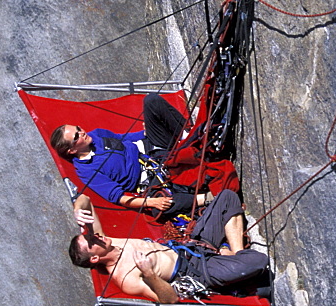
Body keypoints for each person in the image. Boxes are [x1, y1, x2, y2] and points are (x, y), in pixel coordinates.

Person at [68, 189, 269, 302]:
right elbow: (170, 299)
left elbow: (85, 199)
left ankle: (236, 253)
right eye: (92, 241)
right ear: (95, 258)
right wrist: (150, 275)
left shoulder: (108, 241)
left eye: (92, 235)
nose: (97, 237)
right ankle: (235, 264)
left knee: (226, 197)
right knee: (259, 261)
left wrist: (78, 210)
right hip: (197, 272)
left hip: (191, 246)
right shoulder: (126, 278)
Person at [50, 93, 215, 220]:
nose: (82, 132)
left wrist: (148, 130)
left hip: (150, 146)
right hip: (148, 178)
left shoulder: (97, 136)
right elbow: (118, 197)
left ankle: (193, 138)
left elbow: (125, 139)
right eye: (76, 136)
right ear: (71, 150)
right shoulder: (87, 171)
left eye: (78, 128)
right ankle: (207, 198)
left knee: (151, 101)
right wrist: (151, 202)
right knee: (159, 209)